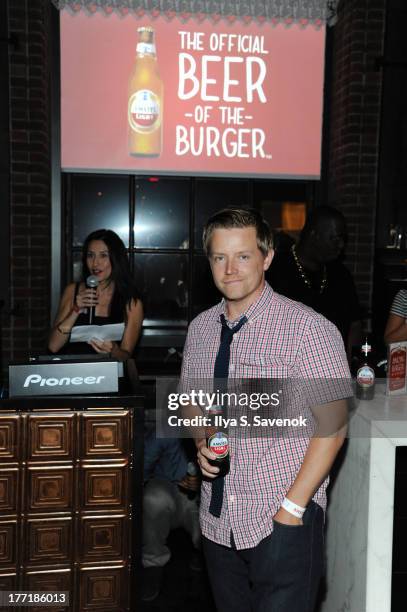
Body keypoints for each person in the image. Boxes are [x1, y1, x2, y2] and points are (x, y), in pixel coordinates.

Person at [179, 208, 351, 612]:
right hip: (218, 524)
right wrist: (202, 439)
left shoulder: (308, 328)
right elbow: (190, 399)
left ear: (267, 257)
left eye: (243, 256)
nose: (231, 268)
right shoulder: (200, 329)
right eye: (220, 257)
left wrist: (292, 510)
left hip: (281, 520)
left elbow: (334, 425)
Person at [267, 206, 362, 357]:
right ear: (314, 235)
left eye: (343, 239)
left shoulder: (341, 274)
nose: (341, 245)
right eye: (335, 238)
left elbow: (354, 325)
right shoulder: (275, 270)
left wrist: (349, 364)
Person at [48, 229, 143, 360]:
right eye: (90, 255)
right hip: (72, 374)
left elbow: (126, 356)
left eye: (103, 255)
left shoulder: (131, 302)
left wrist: (114, 351)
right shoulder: (72, 290)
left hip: (107, 376)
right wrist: (75, 310)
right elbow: (53, 346)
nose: (95, 263)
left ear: (116, 259)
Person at [142, 428, 201, 602]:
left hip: (201, 495)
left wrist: (203, 483)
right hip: (167, 486)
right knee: (153, 498)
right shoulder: (167, 427)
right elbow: (141, 465)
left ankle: (204, 560)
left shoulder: (219, 427)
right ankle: (152, 563)